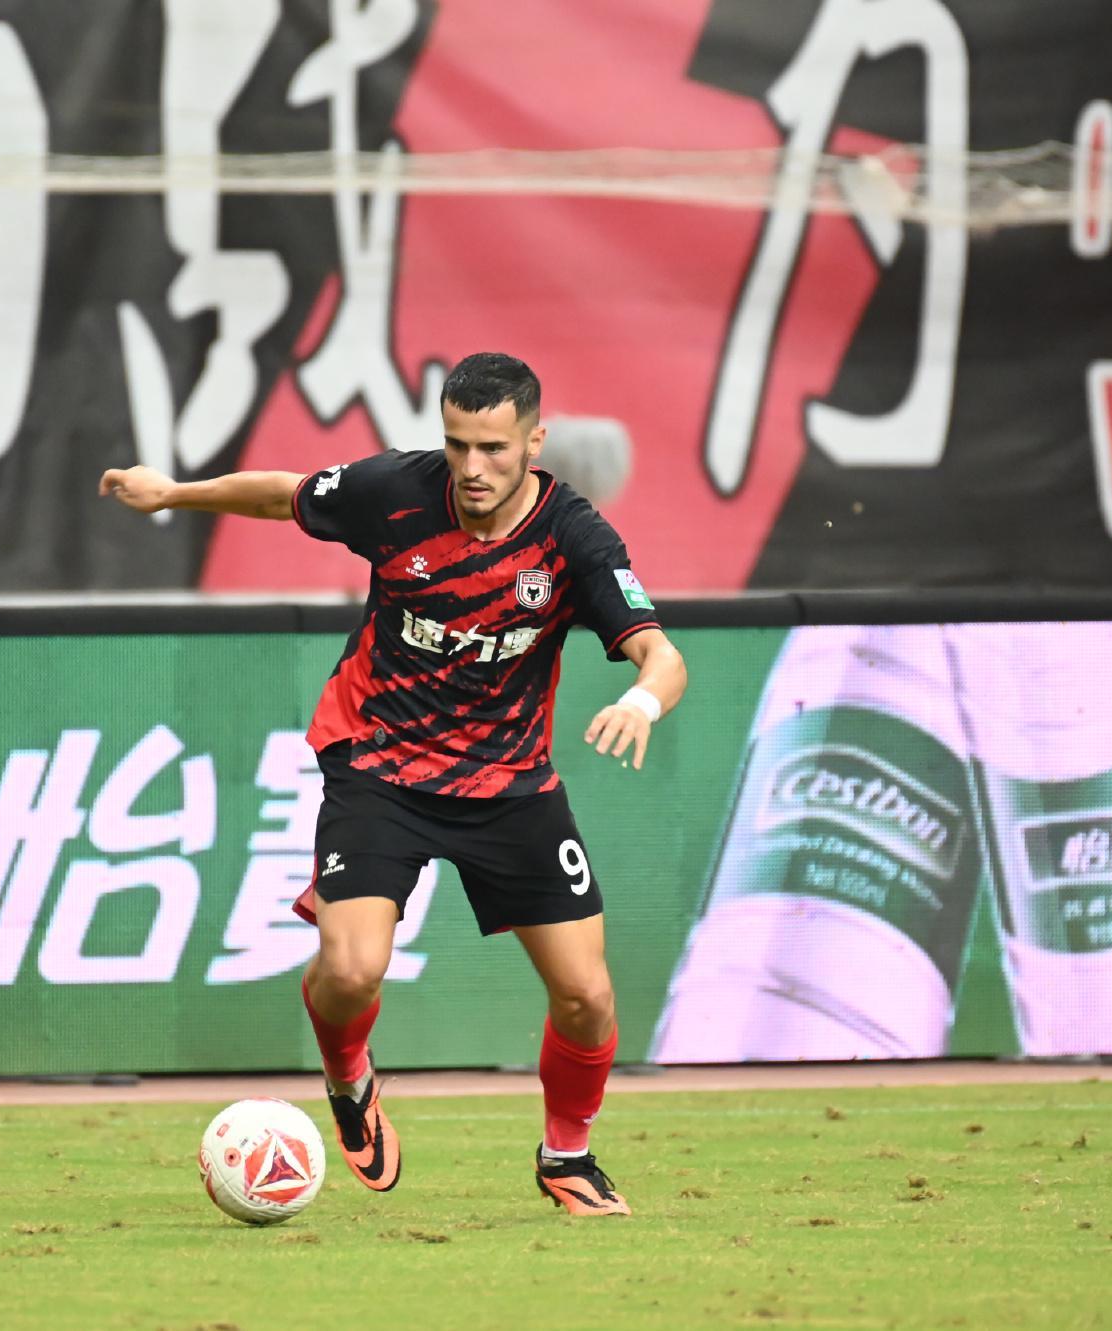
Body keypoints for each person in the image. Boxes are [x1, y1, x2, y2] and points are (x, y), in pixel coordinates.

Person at [100, 352, 687, 1216]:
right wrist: (174, 493)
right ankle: (349, 1079)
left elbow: (661, 654)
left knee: (587, 996)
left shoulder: (575, 538)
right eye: (458, 444)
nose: (473, 466)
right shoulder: (396, 492)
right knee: (349, 970)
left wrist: (641, 699)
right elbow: (284, 494)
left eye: (494, 447)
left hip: (509, 783)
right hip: (380, 763)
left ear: (535, 442)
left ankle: (567, 1155)